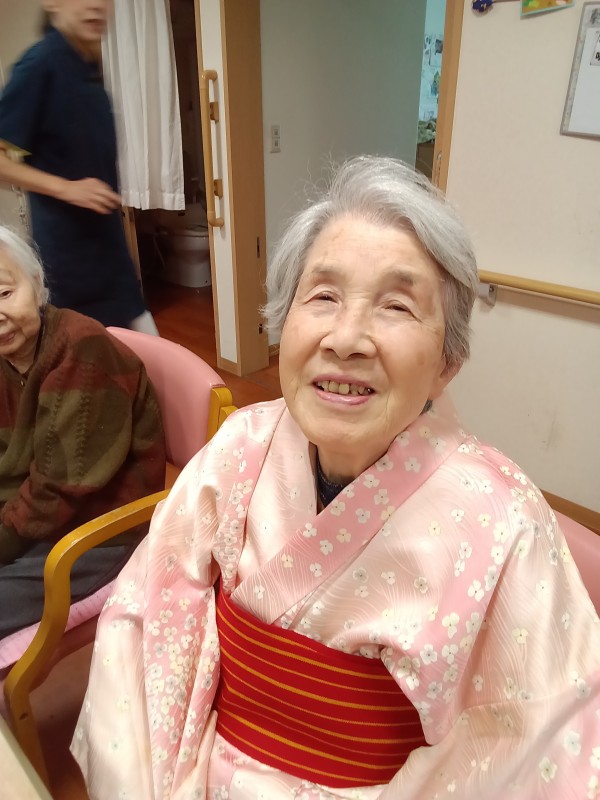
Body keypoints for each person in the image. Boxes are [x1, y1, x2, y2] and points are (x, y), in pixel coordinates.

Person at [71, 157, 600, 799]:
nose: (346, 339)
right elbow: (147, 617)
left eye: (397, 305)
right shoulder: (240, 445)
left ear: (447, 363)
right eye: (323, 296)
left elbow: (536, 736)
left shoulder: (504, 517)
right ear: (283, 320)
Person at [0, 226, 166, 639]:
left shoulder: (82, 352)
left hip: (99, 529)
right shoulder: (8, 356)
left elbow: (55, 490)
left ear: (36, 282)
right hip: (34, 513)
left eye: (4, 294)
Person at [0, 0, 158, 332]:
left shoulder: (88, 69)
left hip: (111, 262)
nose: (96, 5)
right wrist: (67, 189)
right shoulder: (40, 65)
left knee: (144, 357)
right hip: (70, 271)